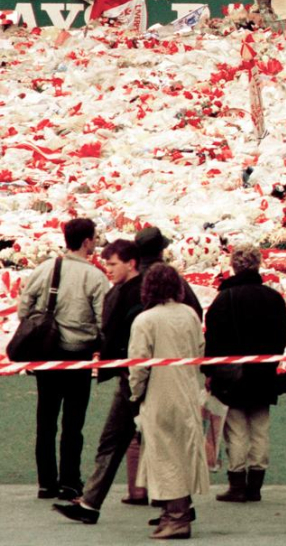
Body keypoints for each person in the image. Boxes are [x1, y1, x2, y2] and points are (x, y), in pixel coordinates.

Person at [53, 241, 145, 524]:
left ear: (131, 263)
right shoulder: (121, 290)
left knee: (145, 441)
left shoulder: (139, 294)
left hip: (137, 376)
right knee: (115, 440)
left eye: (113, 264)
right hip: (128, 375)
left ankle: (179, 505)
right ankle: (90, 504)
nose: (109, 270)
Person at [19, 218, 108, 501]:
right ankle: (70, 480)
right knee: (73, 423)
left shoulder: (46, 268)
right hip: (78, 355)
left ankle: (46, 482)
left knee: (45, 420)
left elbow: (24, 306)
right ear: (86, 242)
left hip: (46, 354)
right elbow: (103, 318)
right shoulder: (95, 277)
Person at [202, 243, 286, 504]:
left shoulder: (223, 299)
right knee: (260, 429)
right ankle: (255, 484)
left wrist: (209, 371)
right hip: (264, 374)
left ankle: (237, 484)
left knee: (237, 430)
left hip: (232, 376)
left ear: (234, 266)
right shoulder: (274, 298)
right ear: (259, 264)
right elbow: (281, 339)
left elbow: (213, 340)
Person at [128, 263, 208, 540]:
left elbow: (138, 363)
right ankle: (174, 512)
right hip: (186, 391)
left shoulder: (145, 320)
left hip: (159, 395)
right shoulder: (190, 315)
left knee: (165, 456)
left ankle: (177, 518)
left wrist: (135, 392)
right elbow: (199, 349)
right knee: (181, 454)